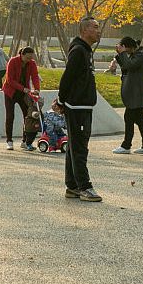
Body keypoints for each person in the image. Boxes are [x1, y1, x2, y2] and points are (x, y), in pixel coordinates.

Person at [53, 15, 102, 202]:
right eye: (95, 27)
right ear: (84, 30)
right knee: (80, 147)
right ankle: (85, 187)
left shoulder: (86, 51)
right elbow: (67, 78)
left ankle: (72, 186)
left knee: (75, 146)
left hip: (83, 104)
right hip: (77, 106)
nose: (98, 31)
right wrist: (61, 100)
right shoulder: (79, 51)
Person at [111, 36, 143, 155]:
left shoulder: (141, 55)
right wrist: (119, 57)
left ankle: (126, 145)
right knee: (139, 119)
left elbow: (129, 66)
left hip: (137, 93)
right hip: (136, 93)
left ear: (128, 46)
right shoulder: (136, 54)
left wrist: (123, 53)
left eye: (124, 48)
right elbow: (126, 67)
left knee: (129, 118)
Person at [1, 46, 42, 150]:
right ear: (22, 55)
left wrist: (37, 89)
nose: (29, 60)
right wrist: (23, 88)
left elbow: (35, 76)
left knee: (28, 116)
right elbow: (9, 79)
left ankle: (25, 141)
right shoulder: (13, 61)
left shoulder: (31, 63)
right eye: (27, 57)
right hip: (11, 92)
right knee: (10, 116)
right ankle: (9, 141)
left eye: (31, 57)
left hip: (24, 93)